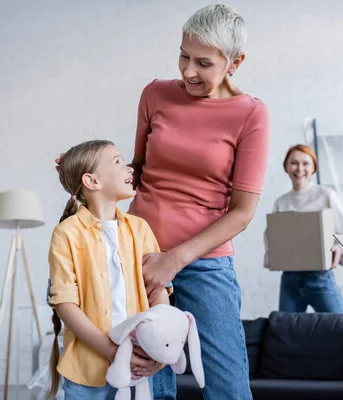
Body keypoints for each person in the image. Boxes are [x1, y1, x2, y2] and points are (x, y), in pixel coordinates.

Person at [127, 4, 269, 399]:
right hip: (140, 255)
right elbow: (136, 171)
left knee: (227, 386)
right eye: (184, 55)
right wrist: (85, 173)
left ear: (234, 62)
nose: (188, 71)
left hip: (204, 265)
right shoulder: (154, 94)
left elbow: (242, 212)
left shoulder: (250, 114)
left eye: (203, 63)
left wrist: (175, 259)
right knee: (147, 383)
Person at [47, 140, 171, 400]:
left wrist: (158, 345)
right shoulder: (66, 234)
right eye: (117, 162)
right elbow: (65, 303)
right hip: (86, 373)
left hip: (139, 369)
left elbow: (157, 292)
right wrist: (114, 351)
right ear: (92, 181)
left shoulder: (141, 229)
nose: (129, 169)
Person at [264, 144, 343, 313]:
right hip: (290, 280)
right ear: (286, 167)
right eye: (294, 163)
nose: (299, 168)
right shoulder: (281, 202)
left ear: (313, 168)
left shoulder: (326, 195)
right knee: (287, 333)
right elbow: (272, 238)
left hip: (319, 278)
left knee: (340, 328)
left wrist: (338, 248)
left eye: (305, 163)